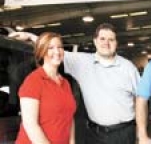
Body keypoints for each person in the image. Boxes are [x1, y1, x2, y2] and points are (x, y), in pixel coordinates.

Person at [10, 23, 140, 144]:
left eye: (111, 39)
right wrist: (30, 36)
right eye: (102, 38)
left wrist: (142, 132)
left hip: (123, 133)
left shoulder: (128, 68)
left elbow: (141, 99)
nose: (106, 43)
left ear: (116, 42)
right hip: (95, 134)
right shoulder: (82, 62)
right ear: (95, 41)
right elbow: (54, 50)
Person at [15, 32, 76, 144]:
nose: (57, 52)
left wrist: (72, 142)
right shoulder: (33, 81)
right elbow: (30, 125)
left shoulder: (65, 82)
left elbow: (69, 117)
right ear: (42, 52)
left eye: (60, 47)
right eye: (50, 48)